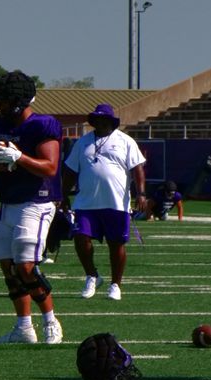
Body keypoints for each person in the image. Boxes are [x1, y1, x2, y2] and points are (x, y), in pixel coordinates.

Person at [0, 71, 64, 344]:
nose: (1, 106)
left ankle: (50, 321)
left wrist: (19, 156)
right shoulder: (0, 125)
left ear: (19, 100)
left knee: (26, 266)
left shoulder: (44, 124)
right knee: (9, 267)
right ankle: (23, 328)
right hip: (8, 201)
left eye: (5, 101)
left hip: (37, 201)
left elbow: (51, 167)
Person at [61, 103, 147, 302]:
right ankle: (92, 275)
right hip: (86, 202)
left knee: (116, 244)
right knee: (81, 238)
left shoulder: (125, 141)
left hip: (116, 202)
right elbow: (71, 170)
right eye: (96, 118)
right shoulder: (82, 143)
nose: (99, 122)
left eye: (103, 118)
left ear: (110, 121)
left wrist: (141, 194)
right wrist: (63, 194)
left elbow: (137, 169)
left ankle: (115, 284)